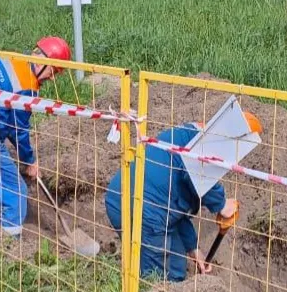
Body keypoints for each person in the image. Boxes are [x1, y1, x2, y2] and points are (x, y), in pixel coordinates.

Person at [105, 115, 261, 281]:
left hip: (135, 200)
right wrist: (222, 205)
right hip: (141, 207)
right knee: (158, 278)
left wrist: (193, 249)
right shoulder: (201, 149)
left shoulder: (193, 138)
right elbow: (195, 173)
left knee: (177, 267)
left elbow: (177, 209)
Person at [0, 36, 72, 237]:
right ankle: (8, 248)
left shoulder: (8, 59)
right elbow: (18, 129)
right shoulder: (27, 86)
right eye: (54, 70)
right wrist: (30, 161)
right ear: (45, 61)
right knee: (16, 193)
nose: (52, 78)